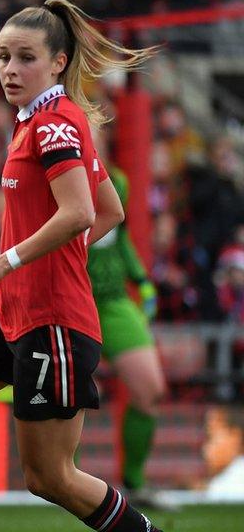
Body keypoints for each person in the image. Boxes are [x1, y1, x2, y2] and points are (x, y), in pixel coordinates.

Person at [0, 0, 165, 532]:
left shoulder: (54, 125)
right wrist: (45, 261)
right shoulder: (43, 120)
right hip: (9, 310)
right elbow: (109, 210)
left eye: (25, 58)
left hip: (51, 320)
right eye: (2, 58)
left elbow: (82, 213)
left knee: (50, 477)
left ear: (58, 62)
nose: (9, 70)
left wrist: (9, 262)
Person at [86, 166, 171, 509]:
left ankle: (135, 483)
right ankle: (60, 482)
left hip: (114, 300)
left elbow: (118, 238)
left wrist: (140, 278)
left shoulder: (117, 182)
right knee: (68, 397)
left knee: (150, 390)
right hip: (70, 297)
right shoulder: (51, 177)